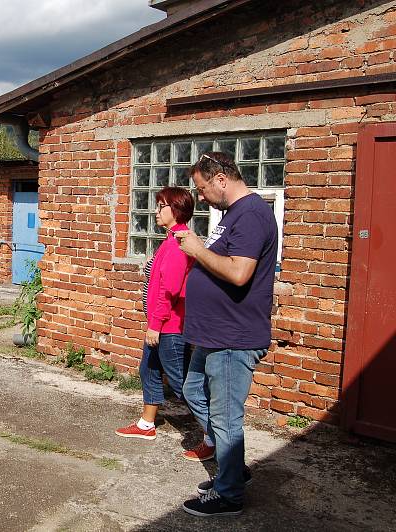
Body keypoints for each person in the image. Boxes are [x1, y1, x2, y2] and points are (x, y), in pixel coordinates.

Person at [175, 152, 278, 517]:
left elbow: (238, 274)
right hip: (216, 334)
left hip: (234, 337)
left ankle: (229, 493)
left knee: (226, 416)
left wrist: (198, 250)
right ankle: (234, 469)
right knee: (192, 390)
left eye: (202, 189)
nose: (201, 197)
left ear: (221, 179)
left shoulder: (250, 214)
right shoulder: (233, 215)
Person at [115, 186, 194, 440]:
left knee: (183, 385)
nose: (156, 211)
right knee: (148, 369)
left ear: (177, 209)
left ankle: (215, 436)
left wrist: (156, 324)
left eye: (161, 206)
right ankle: (146, 423)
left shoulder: (178, 244)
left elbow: (169, 290)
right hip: (161, 324)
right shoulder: (171, 240)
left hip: (169, 327)